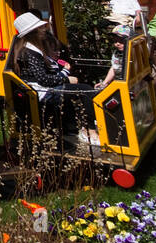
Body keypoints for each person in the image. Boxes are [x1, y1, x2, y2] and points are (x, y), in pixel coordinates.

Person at [7, 11, 99, 144]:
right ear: (32, 33)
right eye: (39, 28)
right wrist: (66, 76)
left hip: (45, 89)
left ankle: (73, 127)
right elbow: (44, 80)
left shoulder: (35, 49)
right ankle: (89, 130)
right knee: (86, 91)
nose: (43, 31)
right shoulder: (28, 52)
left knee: (79, 88)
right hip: (41, 92)